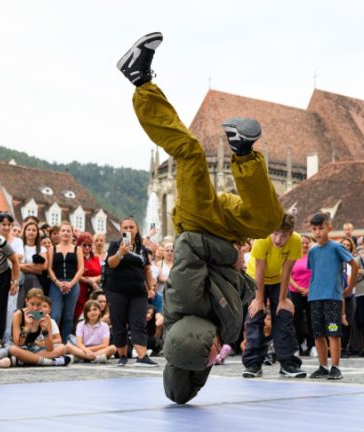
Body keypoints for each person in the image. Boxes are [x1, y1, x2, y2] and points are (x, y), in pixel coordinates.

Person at [118, 32, 283, 403]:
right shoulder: (217, 331)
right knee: (268, 220)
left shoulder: (184, 305)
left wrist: (233, 257)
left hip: (197, 224)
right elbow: (236, 288)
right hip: (227, 231)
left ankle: (140, 81)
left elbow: (190, 248)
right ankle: (241, 150)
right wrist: (243, 276)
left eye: (209, 356)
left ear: (196, 345)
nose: (217, 356)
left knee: (190, 152)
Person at [242, 213, 305, 378]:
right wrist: (259, 299)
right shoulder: (262, 238)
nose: (278, 239)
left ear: (290, 233)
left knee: (284, 316)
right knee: (256, 315)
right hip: (255, 278)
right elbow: (259, 270)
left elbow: (287, 271)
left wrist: (283, 299)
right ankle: (253, 364)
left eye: (283, 235)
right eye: (275, 234)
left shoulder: (296, 240)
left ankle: (288, 364)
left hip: (278, 280)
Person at [307, 213, 359, 380]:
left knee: (333, 332)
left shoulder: (337, 247)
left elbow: (354, 264)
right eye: (314, 229)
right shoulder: (312, 250)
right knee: (318, 333)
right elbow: (314, 272)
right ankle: (323, 366)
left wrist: (350, 287)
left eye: (321, 228)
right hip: (315, 297)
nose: (317, 232)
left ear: (329, 228)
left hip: (332, 297)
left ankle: (335, 367)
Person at [105, 217, 157, 366]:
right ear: (121, 230)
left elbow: (147, 269)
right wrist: (120, 253)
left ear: (137, 229)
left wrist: (151, 287)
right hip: (117, 290)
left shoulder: (142, 249)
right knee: (118, 323)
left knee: (138, 323)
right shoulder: (115, 245)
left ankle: (142, 357)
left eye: (131, 227)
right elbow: (111, 264)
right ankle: (122, 356)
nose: (128, 230)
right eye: (125, 227)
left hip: (138, 292)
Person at [46, 221, 84, 343]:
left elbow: (81, 268)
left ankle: (66, 343)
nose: (66, 233)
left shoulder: (77, 249)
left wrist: (71, 283)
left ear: (72, 233)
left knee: (68, 316)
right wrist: (58, 282)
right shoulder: (53, 248)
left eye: (68, 231)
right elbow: (49, 269)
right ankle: (52, 341)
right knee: (55, 315)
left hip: (72, 284)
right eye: (63, 230)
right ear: (59, 233)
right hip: (56, 284)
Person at [9, 289, 70, 366]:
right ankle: (50, 362)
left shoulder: (45, 316)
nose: (35, 308)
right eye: (32, 304)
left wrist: (45, 330)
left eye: (38, 304)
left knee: (63, 348)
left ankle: (26, 360)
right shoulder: (19, 314)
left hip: (33, 349)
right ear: (26, 301)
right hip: (20, 347)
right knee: (13, 350)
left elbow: (50, 348)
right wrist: (27, 327)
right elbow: (18, 343)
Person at [290, 235, 314, 355]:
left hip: (311, 291)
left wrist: (310, 288)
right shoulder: (293, 256)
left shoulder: (313, 257)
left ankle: (312, 345)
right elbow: (287, 275)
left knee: (312, 319)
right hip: (295, 291)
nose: (305, 245)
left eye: (307, 243)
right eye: (302, 243)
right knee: (296, 320)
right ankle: (296, 346)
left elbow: (317, 273)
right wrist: (298, 288)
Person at [74, 232, 102, 320]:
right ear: (79, 245)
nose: (87, 247)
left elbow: (102, 274)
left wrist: (93, 280)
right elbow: (75, 275)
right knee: (78, 316)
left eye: (89, 245)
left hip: (94, 292)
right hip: (80, 290)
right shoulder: (76, 258)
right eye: (84, 245)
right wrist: (89, 281)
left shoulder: (96, 258)